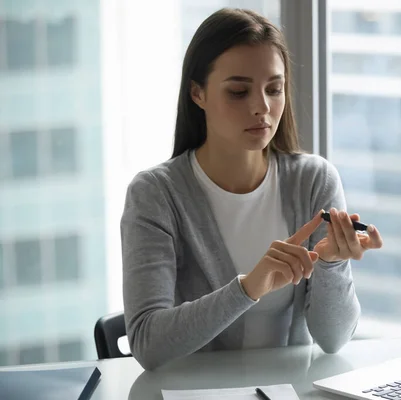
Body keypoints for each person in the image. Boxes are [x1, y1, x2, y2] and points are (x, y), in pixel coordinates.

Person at [121, 8, 383, 371]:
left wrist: (331, 263)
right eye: (239, 92)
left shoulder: (314, 180)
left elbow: (334, 339)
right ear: (198, 93)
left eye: (274, 89)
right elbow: (148, 343)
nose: (262, 107)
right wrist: (248, 288)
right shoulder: (155, 195)